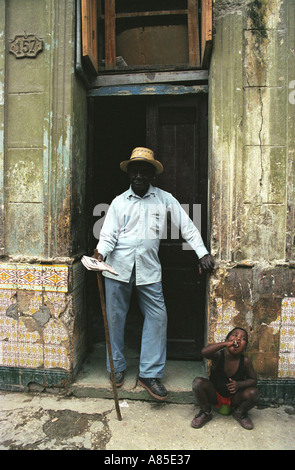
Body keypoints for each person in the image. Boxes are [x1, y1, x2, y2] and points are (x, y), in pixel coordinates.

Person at [94, 147, 214, 401]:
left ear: (152, 175)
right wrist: (100, 254)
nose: (138, 175)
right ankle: (115, 367)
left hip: (149, 269)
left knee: (158, 318)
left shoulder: (164, 199)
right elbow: (108, 235)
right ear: (129, 174)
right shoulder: (119, 202)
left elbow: (187, 226)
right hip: (117, 268)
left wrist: (202, 253)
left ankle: (149, 374)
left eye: (143, 171)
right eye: (134, 171)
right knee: (115, 320)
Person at [191, 327, 259, 430]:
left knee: (254, 393)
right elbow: (205, 352)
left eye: (243, 339)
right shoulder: (219, 355)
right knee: (198, 382)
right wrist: (224, 344)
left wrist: (239, 385)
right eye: (235, 335)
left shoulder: (245, 361)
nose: (238, 339)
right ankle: (205, 412)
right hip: (215, 395)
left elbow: (253, 380)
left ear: (244, 348)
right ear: (227, 341)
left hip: (234, 399)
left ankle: (240, 413)